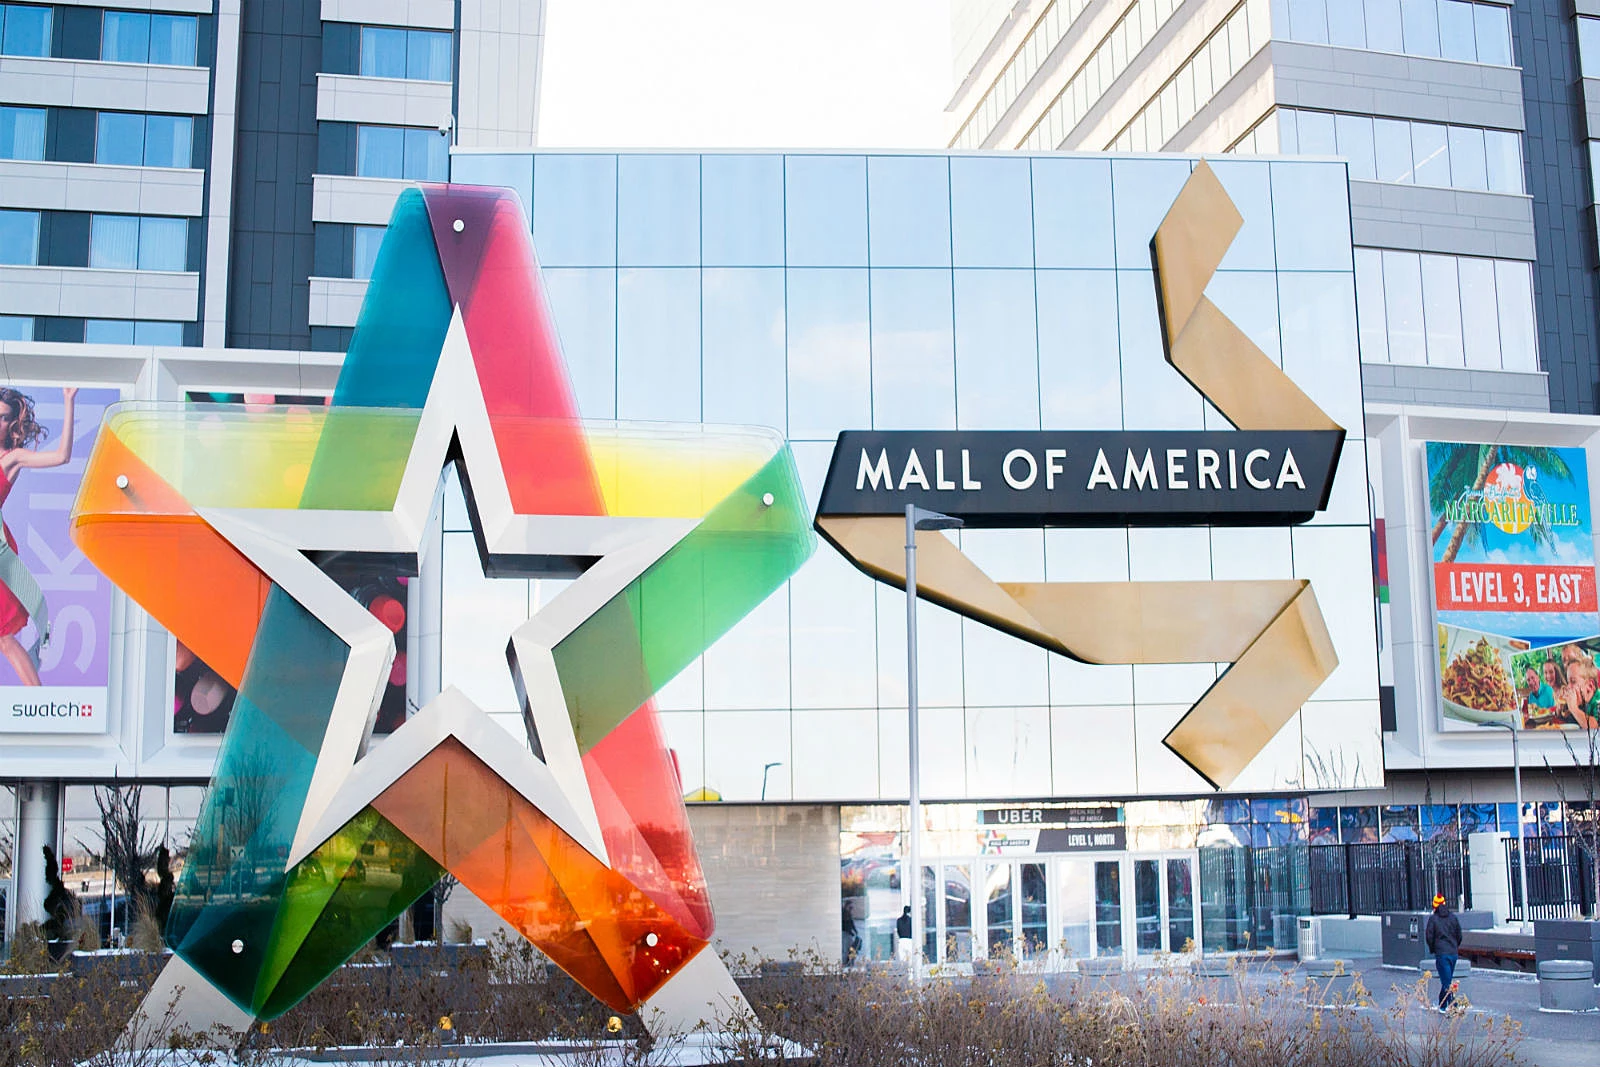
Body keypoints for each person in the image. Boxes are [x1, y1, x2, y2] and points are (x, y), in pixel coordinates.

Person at [0, 386, 77, 685]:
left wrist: (68, 402)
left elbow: (62, 456)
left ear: (13, 424)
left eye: (4, 418)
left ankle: (39, 703)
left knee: (4, 637)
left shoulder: (11, 458)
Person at [1424, 893, 1462, 1010]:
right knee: (1447, 979)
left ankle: (1453, 1005)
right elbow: (1459, 934)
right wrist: (1455, 946)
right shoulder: (1453, 917)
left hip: (1442, 954)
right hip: (1453, 953)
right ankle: (1442, 1004)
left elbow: (1429, 937)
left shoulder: (1433, 919)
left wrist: (1433, 949)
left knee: (1446, 982)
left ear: (1434, 906)